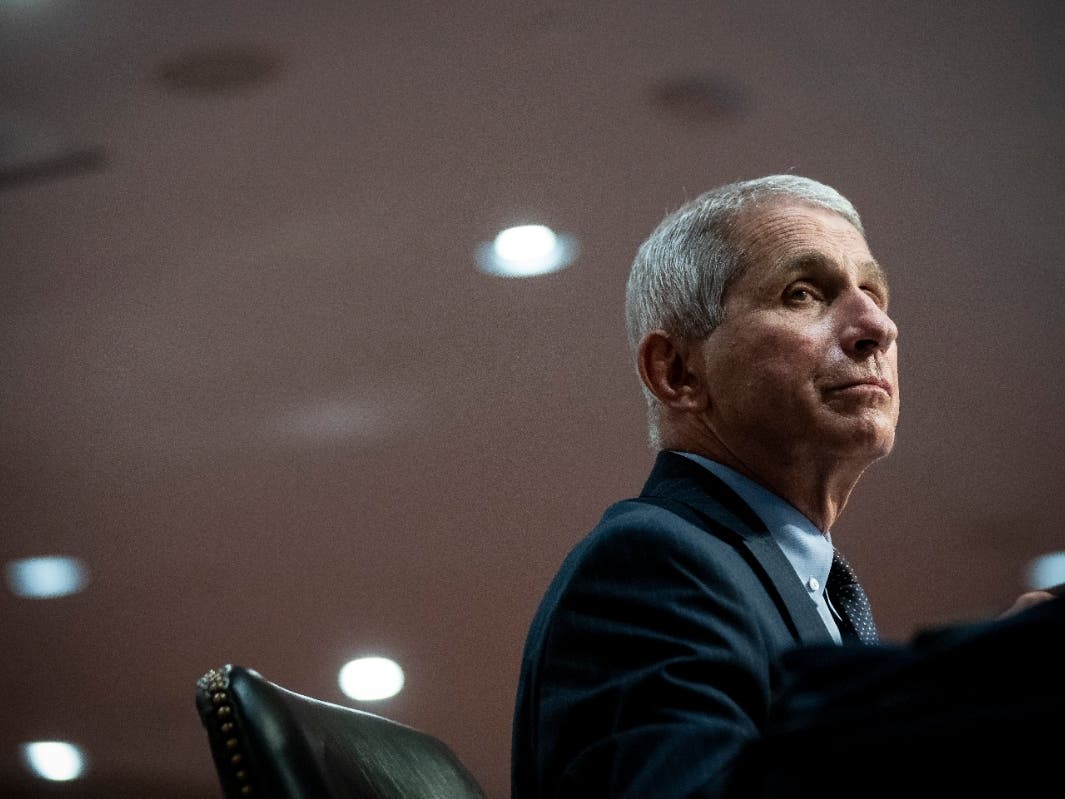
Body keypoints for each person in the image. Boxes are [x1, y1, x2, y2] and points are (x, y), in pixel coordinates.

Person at [510, 175, 1061, 798]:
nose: (877, 325)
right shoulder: (650, 562)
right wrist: (978, 688)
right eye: (804, 293)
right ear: (678, 371)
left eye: (874, 292)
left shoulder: (800, 586)